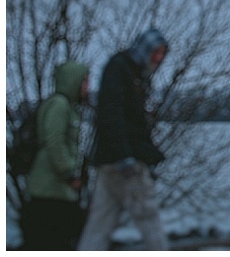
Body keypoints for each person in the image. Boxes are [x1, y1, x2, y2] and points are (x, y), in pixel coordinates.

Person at [78, 29, 170, 250]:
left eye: (161, 55)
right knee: (149, 219)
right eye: (156, 54)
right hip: (125, 162)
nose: (158, 60)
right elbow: (112, 114)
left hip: (110, 160)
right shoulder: (122, 70)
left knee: (100, 224)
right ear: (146, 50)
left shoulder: (130, 71)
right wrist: (125, 156)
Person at [21, 61, 90, 250]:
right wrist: (69, 174)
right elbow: (55, 142)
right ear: (72, 81)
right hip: (48, 191)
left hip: (57, 191)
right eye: (84, 81)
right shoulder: (59, 105)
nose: (87, 87)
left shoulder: (69, 107)